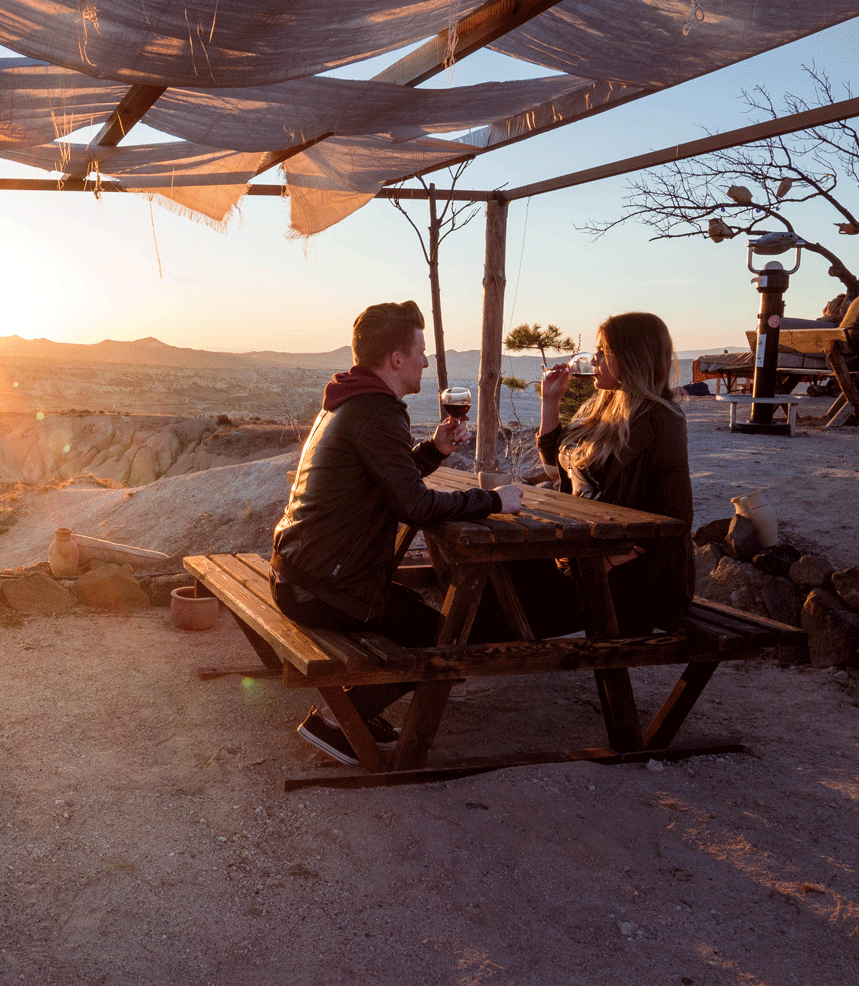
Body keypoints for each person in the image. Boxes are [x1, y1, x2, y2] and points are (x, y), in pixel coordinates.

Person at [269, 300, 522, 765]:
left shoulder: (351, 402)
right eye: (420, 351)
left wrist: (433, 450)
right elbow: (418, 506)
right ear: (396, 359)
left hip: (303, 574)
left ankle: (356, 713)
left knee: (426, 615)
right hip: (321, 588)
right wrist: (494, 500)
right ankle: (341, 721)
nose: (426, 361)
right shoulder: (378, 413)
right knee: (448, 633)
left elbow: (386, 479)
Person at [531, 311, 695, 636]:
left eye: (603, 352)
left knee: (512, 598)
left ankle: (436, 667)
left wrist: (604, 563)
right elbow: (555, 465)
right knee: (496, 575)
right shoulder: (601, 407)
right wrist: (550, 402)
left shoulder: (662, 420)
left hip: (637, 579)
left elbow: (676, 517)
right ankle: (437, 663)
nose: (593, 359)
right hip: (584, 558)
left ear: (632, 358)